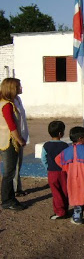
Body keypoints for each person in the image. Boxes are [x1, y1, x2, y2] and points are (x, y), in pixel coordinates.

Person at [55, 127, 84, 224]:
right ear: (80, 138)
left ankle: (77, 218)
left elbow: (57, 159)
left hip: (73, 179)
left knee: (77, 198)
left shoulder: (67, 150)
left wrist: (66, 168)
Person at [0, 78, 27, 211]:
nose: (21, 88)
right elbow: (12, 126)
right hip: (9, 142)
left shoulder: (5, 103)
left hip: (4, 140)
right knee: (9, 172)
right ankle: (7, 200)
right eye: (18, 86)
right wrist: (20, 139)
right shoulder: (7, 105)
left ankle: (9, 198)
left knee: (9, 172)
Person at [40, 121, 69, 219]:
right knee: (65, 191)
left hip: (52, 172)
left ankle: (60, 212)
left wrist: (47, 168)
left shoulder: (46, 145)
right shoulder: (65, 145)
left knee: (56, 193)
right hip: (64, 172)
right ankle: (65, 209)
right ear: (61, 133)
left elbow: (43, 159)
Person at [13, 80, 29, 197]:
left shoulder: (18, 100)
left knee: (19, 163)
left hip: (21, 135)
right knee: (14, 164)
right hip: (15, 137)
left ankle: (18, 187)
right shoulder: (9, 103)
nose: (21, 88)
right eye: (19, 86)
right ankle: (14, 190)